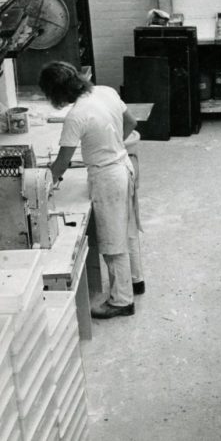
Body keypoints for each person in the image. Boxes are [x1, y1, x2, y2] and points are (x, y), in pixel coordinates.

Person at [39, 61, 144, 319]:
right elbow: (131, 122)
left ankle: (122, 301)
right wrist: (110, 142)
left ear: (57, 93)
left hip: (107, 176)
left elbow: (62, 163)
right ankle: (136, 281)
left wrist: (42, 187)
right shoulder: (105, 91)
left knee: (112, 241)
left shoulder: (76, 116)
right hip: (124, 164)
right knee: (127, 229)